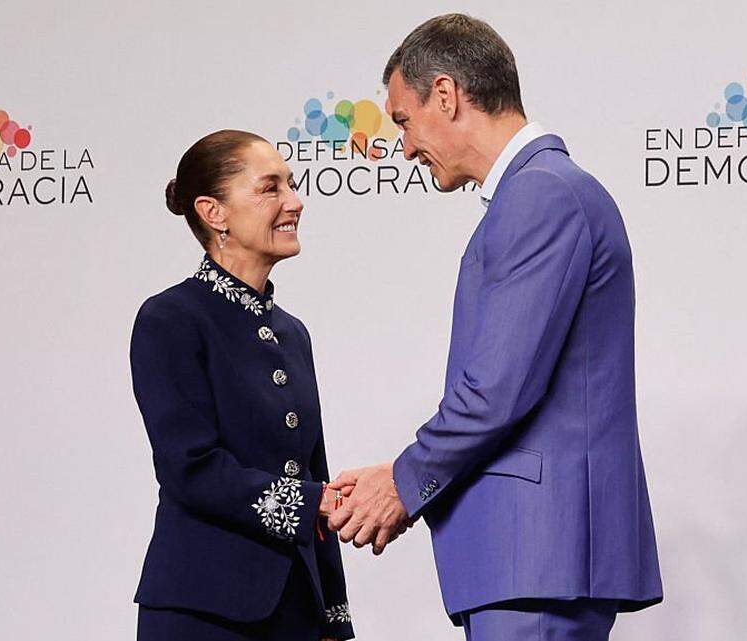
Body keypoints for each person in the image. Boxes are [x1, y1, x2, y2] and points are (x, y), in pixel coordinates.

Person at [328, 14, 663, 641]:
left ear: (448, 95)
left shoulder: (542, 195)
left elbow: (498, 389)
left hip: (534, 554)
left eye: (403, 120)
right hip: (531, 560)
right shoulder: (542, 193)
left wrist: (403, 482)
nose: (402, 148)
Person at [130, 129, 354, 640]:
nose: (295, 202)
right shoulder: (171, 318)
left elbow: (308, 468)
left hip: (297, 612)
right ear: (214, 213)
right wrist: (312, 500)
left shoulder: (292, 333)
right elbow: (191, 468)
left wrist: (334, 616)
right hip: (203, 611)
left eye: (292, 185)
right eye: (270, 187)